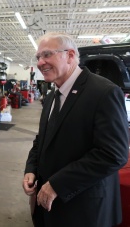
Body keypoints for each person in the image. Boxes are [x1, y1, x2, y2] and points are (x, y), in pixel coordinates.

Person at [22, 32, 129, 227]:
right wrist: (31, 169)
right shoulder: (52, 96)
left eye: (47, 55)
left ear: (70, 55)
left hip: (84, 211)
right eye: (38, 57)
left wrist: (57, 185)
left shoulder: (103, 92)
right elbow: (42, 140)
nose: (40, 62)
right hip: (50, 209)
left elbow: (113, 154)